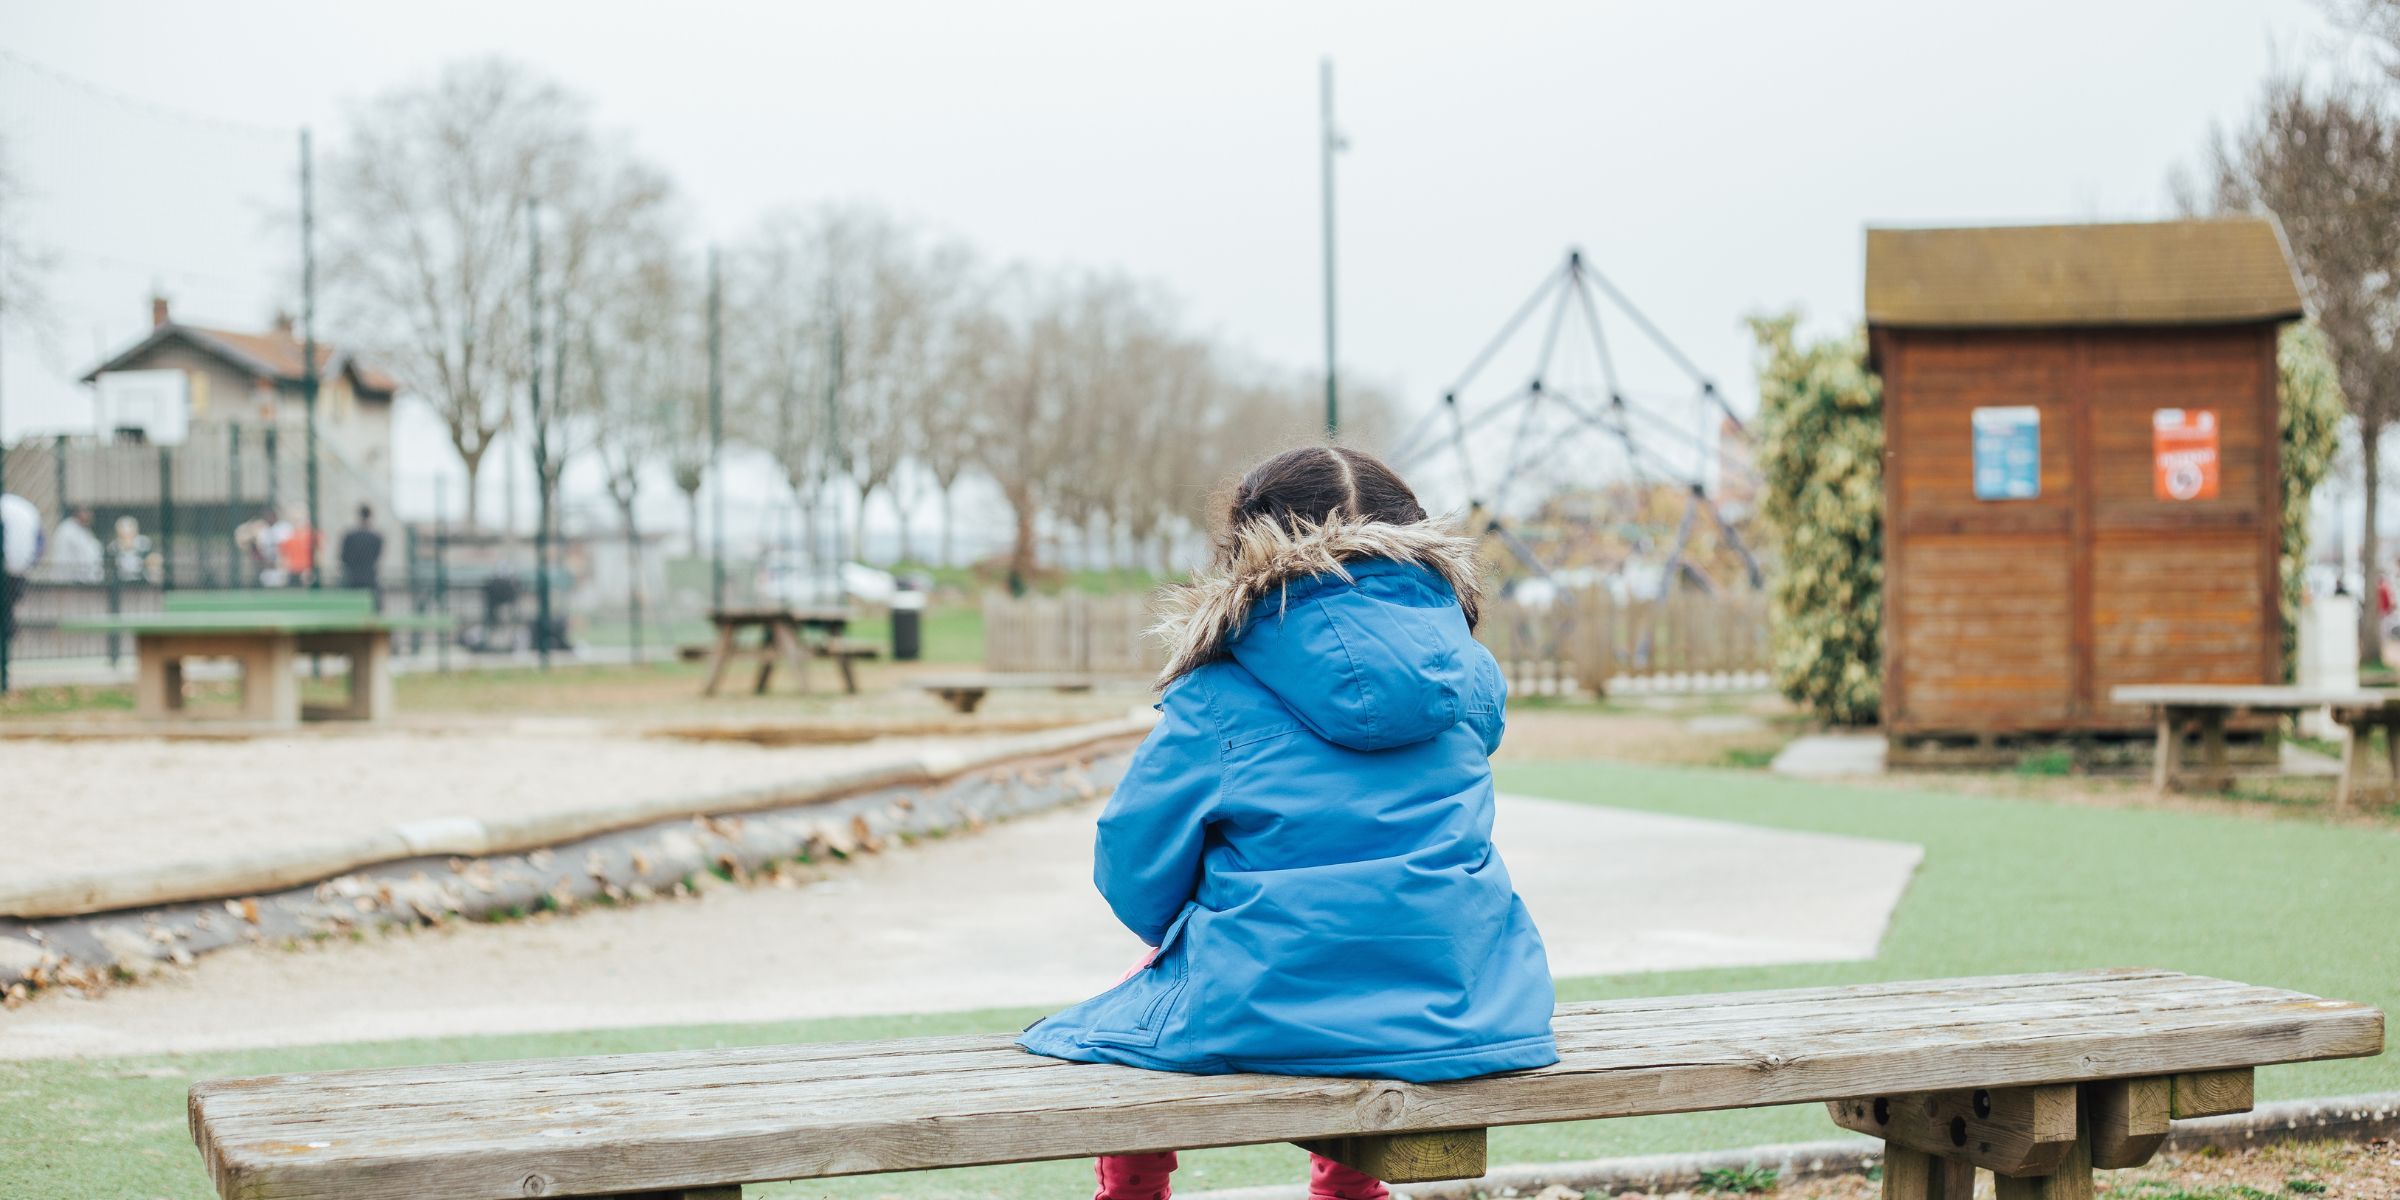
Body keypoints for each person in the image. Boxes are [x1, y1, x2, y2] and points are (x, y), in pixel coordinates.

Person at [1016, 446, 1556, 1200]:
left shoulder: (1217, 691)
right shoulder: (1467, 677)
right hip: (1464, 998)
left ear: (1247, 549)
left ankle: (1132, 1191)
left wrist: (1177, 930)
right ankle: (1348, 1190)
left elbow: (1131, 862)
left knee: (1127, 1028)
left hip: (1259, 998)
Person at [338, 504, 385, 595]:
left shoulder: (349, 537)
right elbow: (377, 556)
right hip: (370, 577)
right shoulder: (376, 538)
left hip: (352, 578)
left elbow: (343, 557)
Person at [47, 507, 103, 583]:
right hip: (67, 581)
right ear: (78, 513)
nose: (89, 515)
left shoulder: (84, 530)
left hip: (82, 580)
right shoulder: (68, 529)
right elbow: (83, 556)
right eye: (85, 512)